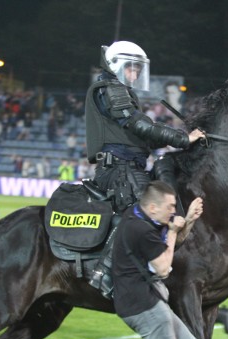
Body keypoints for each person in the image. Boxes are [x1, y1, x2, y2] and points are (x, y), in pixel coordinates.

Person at [84, 40, 204, 295]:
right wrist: (183, 138)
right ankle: (104, 274)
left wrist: (188, 143)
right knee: (142, 210)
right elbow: (140, 126)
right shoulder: (109, 89)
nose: (135, 74)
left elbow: (146, 135)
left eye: (138, 69)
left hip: (132, 165)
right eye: (131, 68)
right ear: (117, 65)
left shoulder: (123, 92)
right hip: (117, 169)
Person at [111, 181, 225, 339]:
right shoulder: (139, 229)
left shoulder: (143, 218)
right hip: (142, 307)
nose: (174, 211)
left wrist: (190, 220)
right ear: (153, 207)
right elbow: (163, 267)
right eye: (170, 206)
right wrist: (173, 231)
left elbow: (167, 246)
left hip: (152, 301)